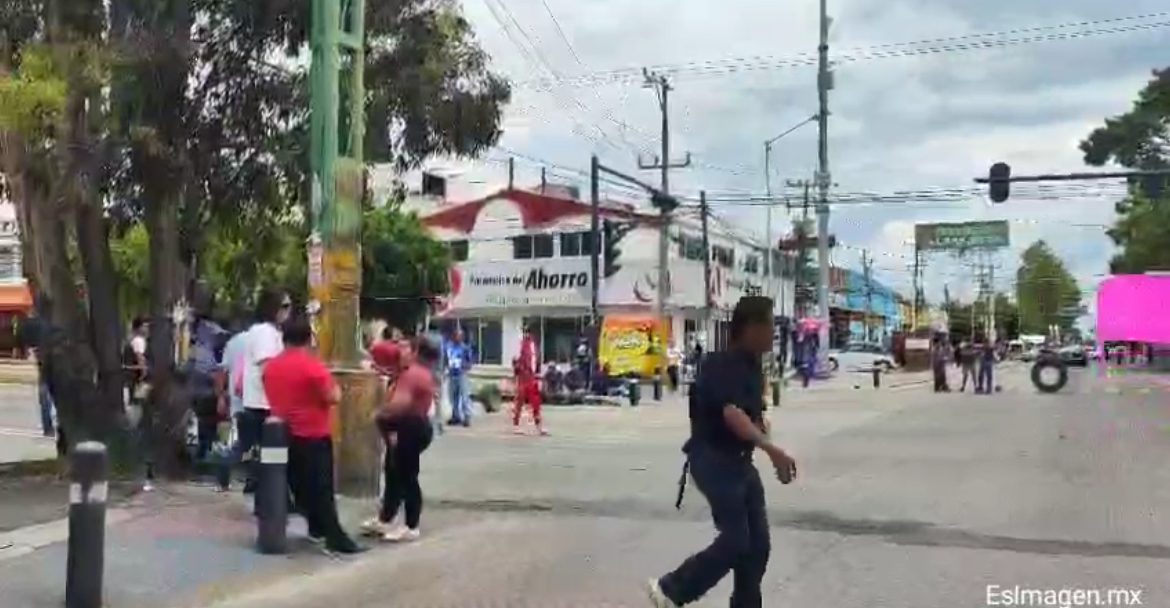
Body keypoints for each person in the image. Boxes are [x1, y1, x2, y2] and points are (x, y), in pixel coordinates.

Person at [648, 296, 797, 608]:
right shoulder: (720, 364)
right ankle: (671, 589)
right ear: (751, 328)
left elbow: (752, 417)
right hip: (713, 460)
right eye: (770, 324)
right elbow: (732, 414)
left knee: (758, 546)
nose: (774, 332)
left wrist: (765, 433)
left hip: (740, 464)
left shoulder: (753, 368)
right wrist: (772, 450)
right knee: (736, 540)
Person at [263, 314, 364, 555]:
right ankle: (335, 538)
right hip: (313, 435)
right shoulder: (312, 366)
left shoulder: (272, 367)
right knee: (322, 489)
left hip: (282, 436)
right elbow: (334, 396)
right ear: (308, 338)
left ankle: (315, 528)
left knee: (299, 486)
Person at [363, 337, 438, 543]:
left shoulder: (412, 374)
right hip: (409, 428)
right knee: (394, 473)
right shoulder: (418, 372)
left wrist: (379, 413)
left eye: (406, 348)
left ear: (415, 352)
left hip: (409, 429)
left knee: (406, 476)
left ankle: (411, 526)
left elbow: (400, 404)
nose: (400, 351)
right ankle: (386, 518)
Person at [220, 290, 290, 495]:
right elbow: (267, 369)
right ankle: (270, 494)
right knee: (266, 449)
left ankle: (269, 492)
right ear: (273, 308)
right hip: (263, 402)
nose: (288, 312)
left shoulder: (272, 333)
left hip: (264, 401)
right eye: (284, 307)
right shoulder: (264, 333)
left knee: (263, 449)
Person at [214, 317, 250, 491]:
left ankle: (225, 467)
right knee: (260, 443)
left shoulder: (233, 343)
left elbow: (221, 371)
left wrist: (221, 397)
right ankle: (255, 481)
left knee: (240, 439)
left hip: (238, 399)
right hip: (260, 400)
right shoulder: (269, 340)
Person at [512, 325, 547, 435]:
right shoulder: (521, 344)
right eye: (525, 332)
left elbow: (535, 361)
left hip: (531, 376)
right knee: (520, 400)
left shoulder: (533, 345)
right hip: (523, 376)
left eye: (529, 332)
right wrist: (518, 371)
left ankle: (539, 426)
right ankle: (516, 425)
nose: (527, 334)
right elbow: (515, 361)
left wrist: (536, 373)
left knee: (535, 401)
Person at [444, 328, 474, 427]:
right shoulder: (449, 347)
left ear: (462, 337)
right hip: (452, 374)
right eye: (456, 335)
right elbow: (446, 359)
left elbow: (470, 362)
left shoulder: (465, 348)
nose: (458, 337)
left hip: (462, 374)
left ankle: (467, 417)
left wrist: (465, 366)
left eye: (460, 336)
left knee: (465, 396)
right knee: (453, 397)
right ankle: (455, 416)